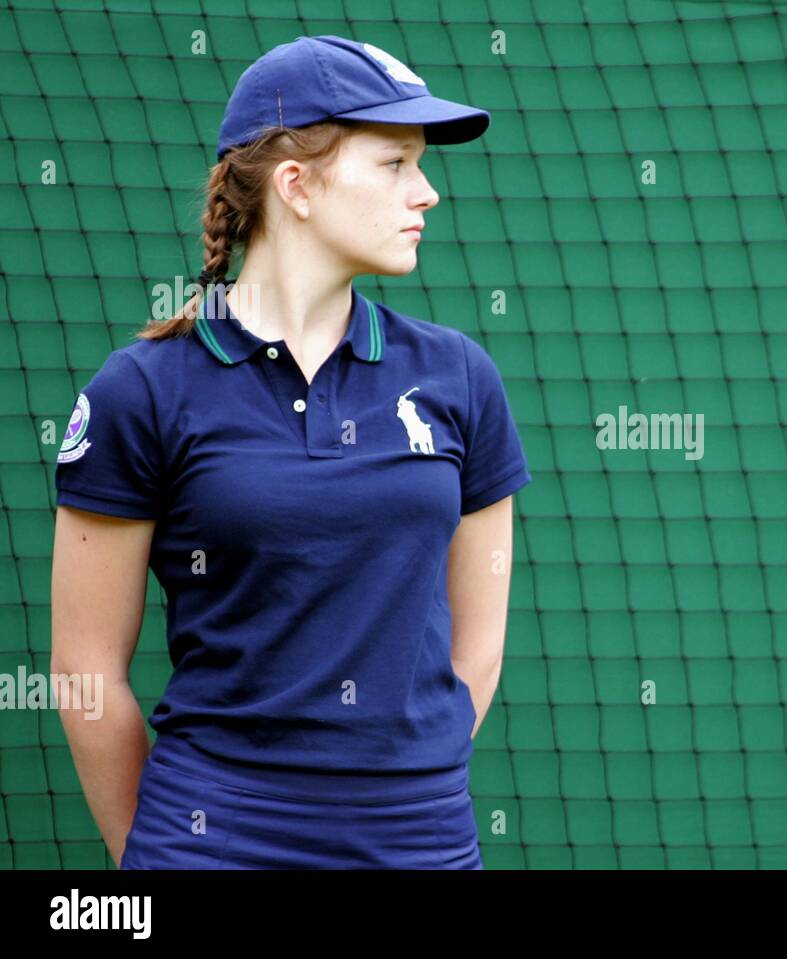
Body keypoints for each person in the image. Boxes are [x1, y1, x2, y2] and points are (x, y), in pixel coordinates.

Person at [49, 35, 531, 869]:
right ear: (296, 184)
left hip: (420, 837)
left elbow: (477, 645)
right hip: (212, 834)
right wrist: (163, 854)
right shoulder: (141, 392)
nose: (427, 193)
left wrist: (401, 781)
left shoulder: (460, 378)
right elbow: (84, 670)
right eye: (394, 163)